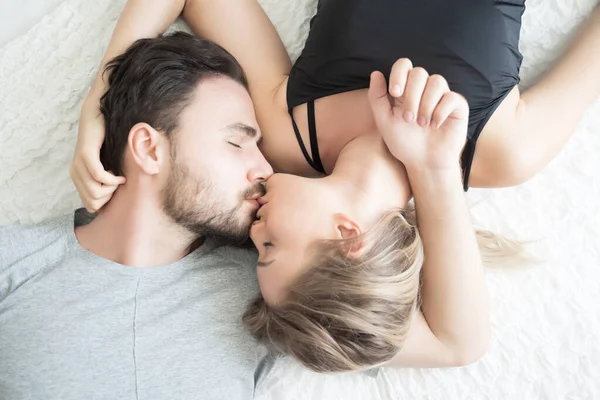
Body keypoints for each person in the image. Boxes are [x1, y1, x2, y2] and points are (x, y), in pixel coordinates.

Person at [71, 0, 600, 373]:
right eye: (270, 248)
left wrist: (97, 104)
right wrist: (435, 173)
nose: (252, 228)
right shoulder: (501, 149)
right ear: (349, 236)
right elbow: (459, 344)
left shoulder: (282, 134)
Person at [0, 33, 274, 399]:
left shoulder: (268, 284)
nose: (266, 169)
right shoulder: (13, 262)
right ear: (148, 148)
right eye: (236, 143)